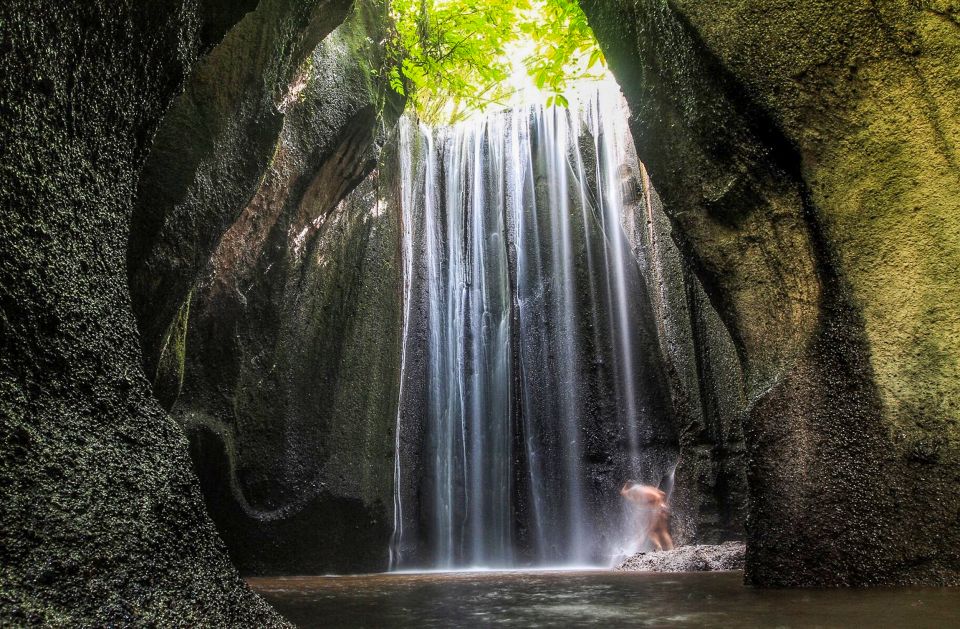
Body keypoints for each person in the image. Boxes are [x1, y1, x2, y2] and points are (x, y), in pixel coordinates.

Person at [620, 480, 674, 551]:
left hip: (658, 509)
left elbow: (623, 492)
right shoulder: (648, 488)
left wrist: (626, 485)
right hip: (662, 508)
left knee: (652, 530)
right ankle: (668, 548)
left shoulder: (634, 491)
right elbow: (662, 493)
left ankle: (659, 547)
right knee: (660, 531)